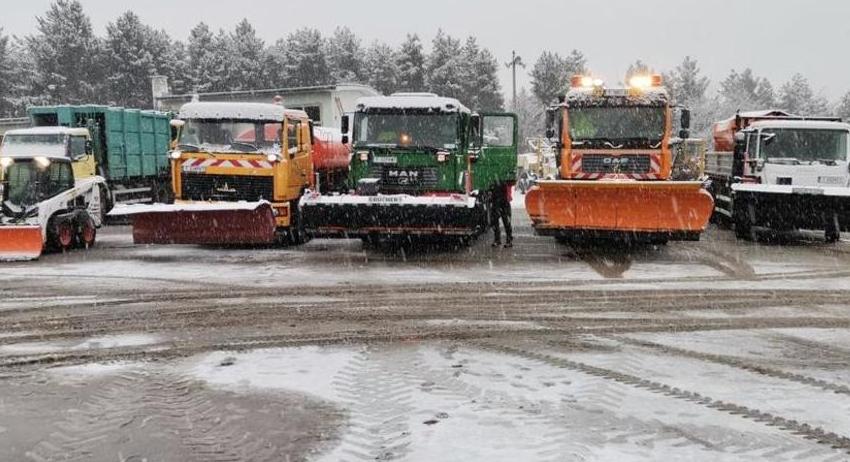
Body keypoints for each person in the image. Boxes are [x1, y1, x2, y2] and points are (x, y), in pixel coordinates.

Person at [491, 182, 513, 248]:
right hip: (497, 199)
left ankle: (507, 240)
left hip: (503, 200)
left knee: (505, 220)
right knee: (495, 220)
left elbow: (511, 182)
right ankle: (499, 239)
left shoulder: (504, 177)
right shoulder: (495, 177)